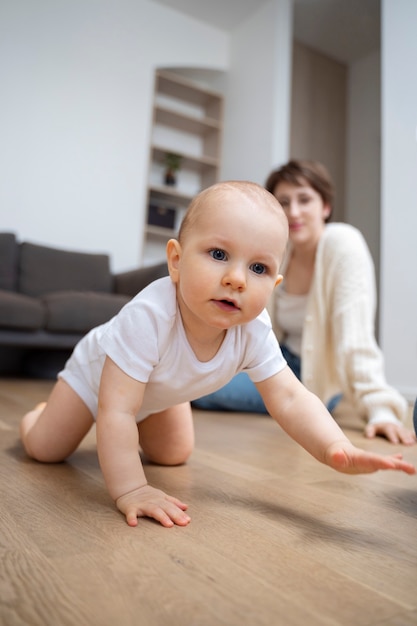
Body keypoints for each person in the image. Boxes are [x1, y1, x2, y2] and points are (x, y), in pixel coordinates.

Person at [20, 181, 415, 530]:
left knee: (174, 455)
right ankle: (40, 413)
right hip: (99, 381)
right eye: (219, 255)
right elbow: (117, 410)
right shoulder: (148, 316)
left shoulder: (254, 329)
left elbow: (291, 398)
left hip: (161, 391)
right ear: (176, 260)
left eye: (258, 267)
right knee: (45, 449)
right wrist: (133, 489)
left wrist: (334, 447)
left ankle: (139, 421)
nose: (236, 278)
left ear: (274, 284)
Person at [193, 161, 416, 446]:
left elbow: (355, 337)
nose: (293, 212)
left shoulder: (343, 243)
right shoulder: (277, 254)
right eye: (283, 202)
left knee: (203, 388)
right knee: (195, 373)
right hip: (272, 357)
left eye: (304, 200)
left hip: (313, 376)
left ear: (325, 206)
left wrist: (381, 409)